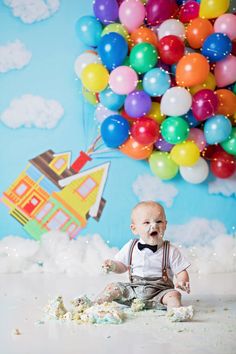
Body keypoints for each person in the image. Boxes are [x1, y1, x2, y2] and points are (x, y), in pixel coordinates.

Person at [96, 201, 193, 322]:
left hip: (161, 292)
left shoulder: (171, 250)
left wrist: (182, 281)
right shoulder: (130, 246)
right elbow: (122, 266)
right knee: (112, 287)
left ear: (165, 225)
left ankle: (175, 312)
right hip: (134, 292)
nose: (154, 226)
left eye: (159, 221)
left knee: (174, 295)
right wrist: (113, 266)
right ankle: (96, 305)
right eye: (147, 222)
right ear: (134, 228)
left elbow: (181, 270)